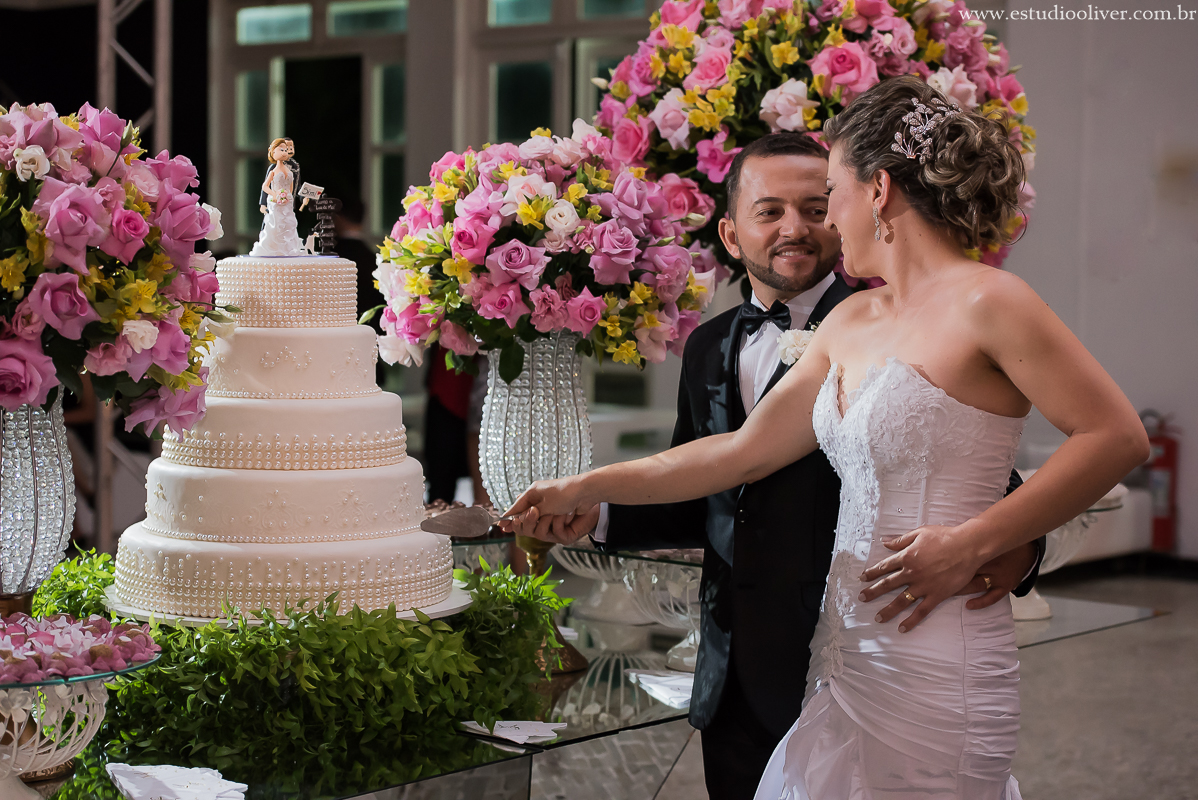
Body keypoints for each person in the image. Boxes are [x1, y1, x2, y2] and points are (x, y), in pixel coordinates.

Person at [504, 76, 1149, 799]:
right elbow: (738, 452)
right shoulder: (852, 322)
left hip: (937, 647)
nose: (827, 221)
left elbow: (1115, 437)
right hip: (842, 652)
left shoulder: (991, 302)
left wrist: (973, 543)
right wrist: (584, 485)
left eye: (832, 194)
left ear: (878, 192)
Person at [251, 137, 309, 257]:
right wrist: (263, 203)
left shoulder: (294, 168)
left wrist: (301, 197)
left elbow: (296, 187)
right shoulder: (273, 169)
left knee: (289, 225)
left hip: (288, 202)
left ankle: (289, 248)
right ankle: (269, 247)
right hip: (275, 201)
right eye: (283, 148)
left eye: (288, 148)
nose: (287, 151)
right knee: (272, 224)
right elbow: (265, 187)